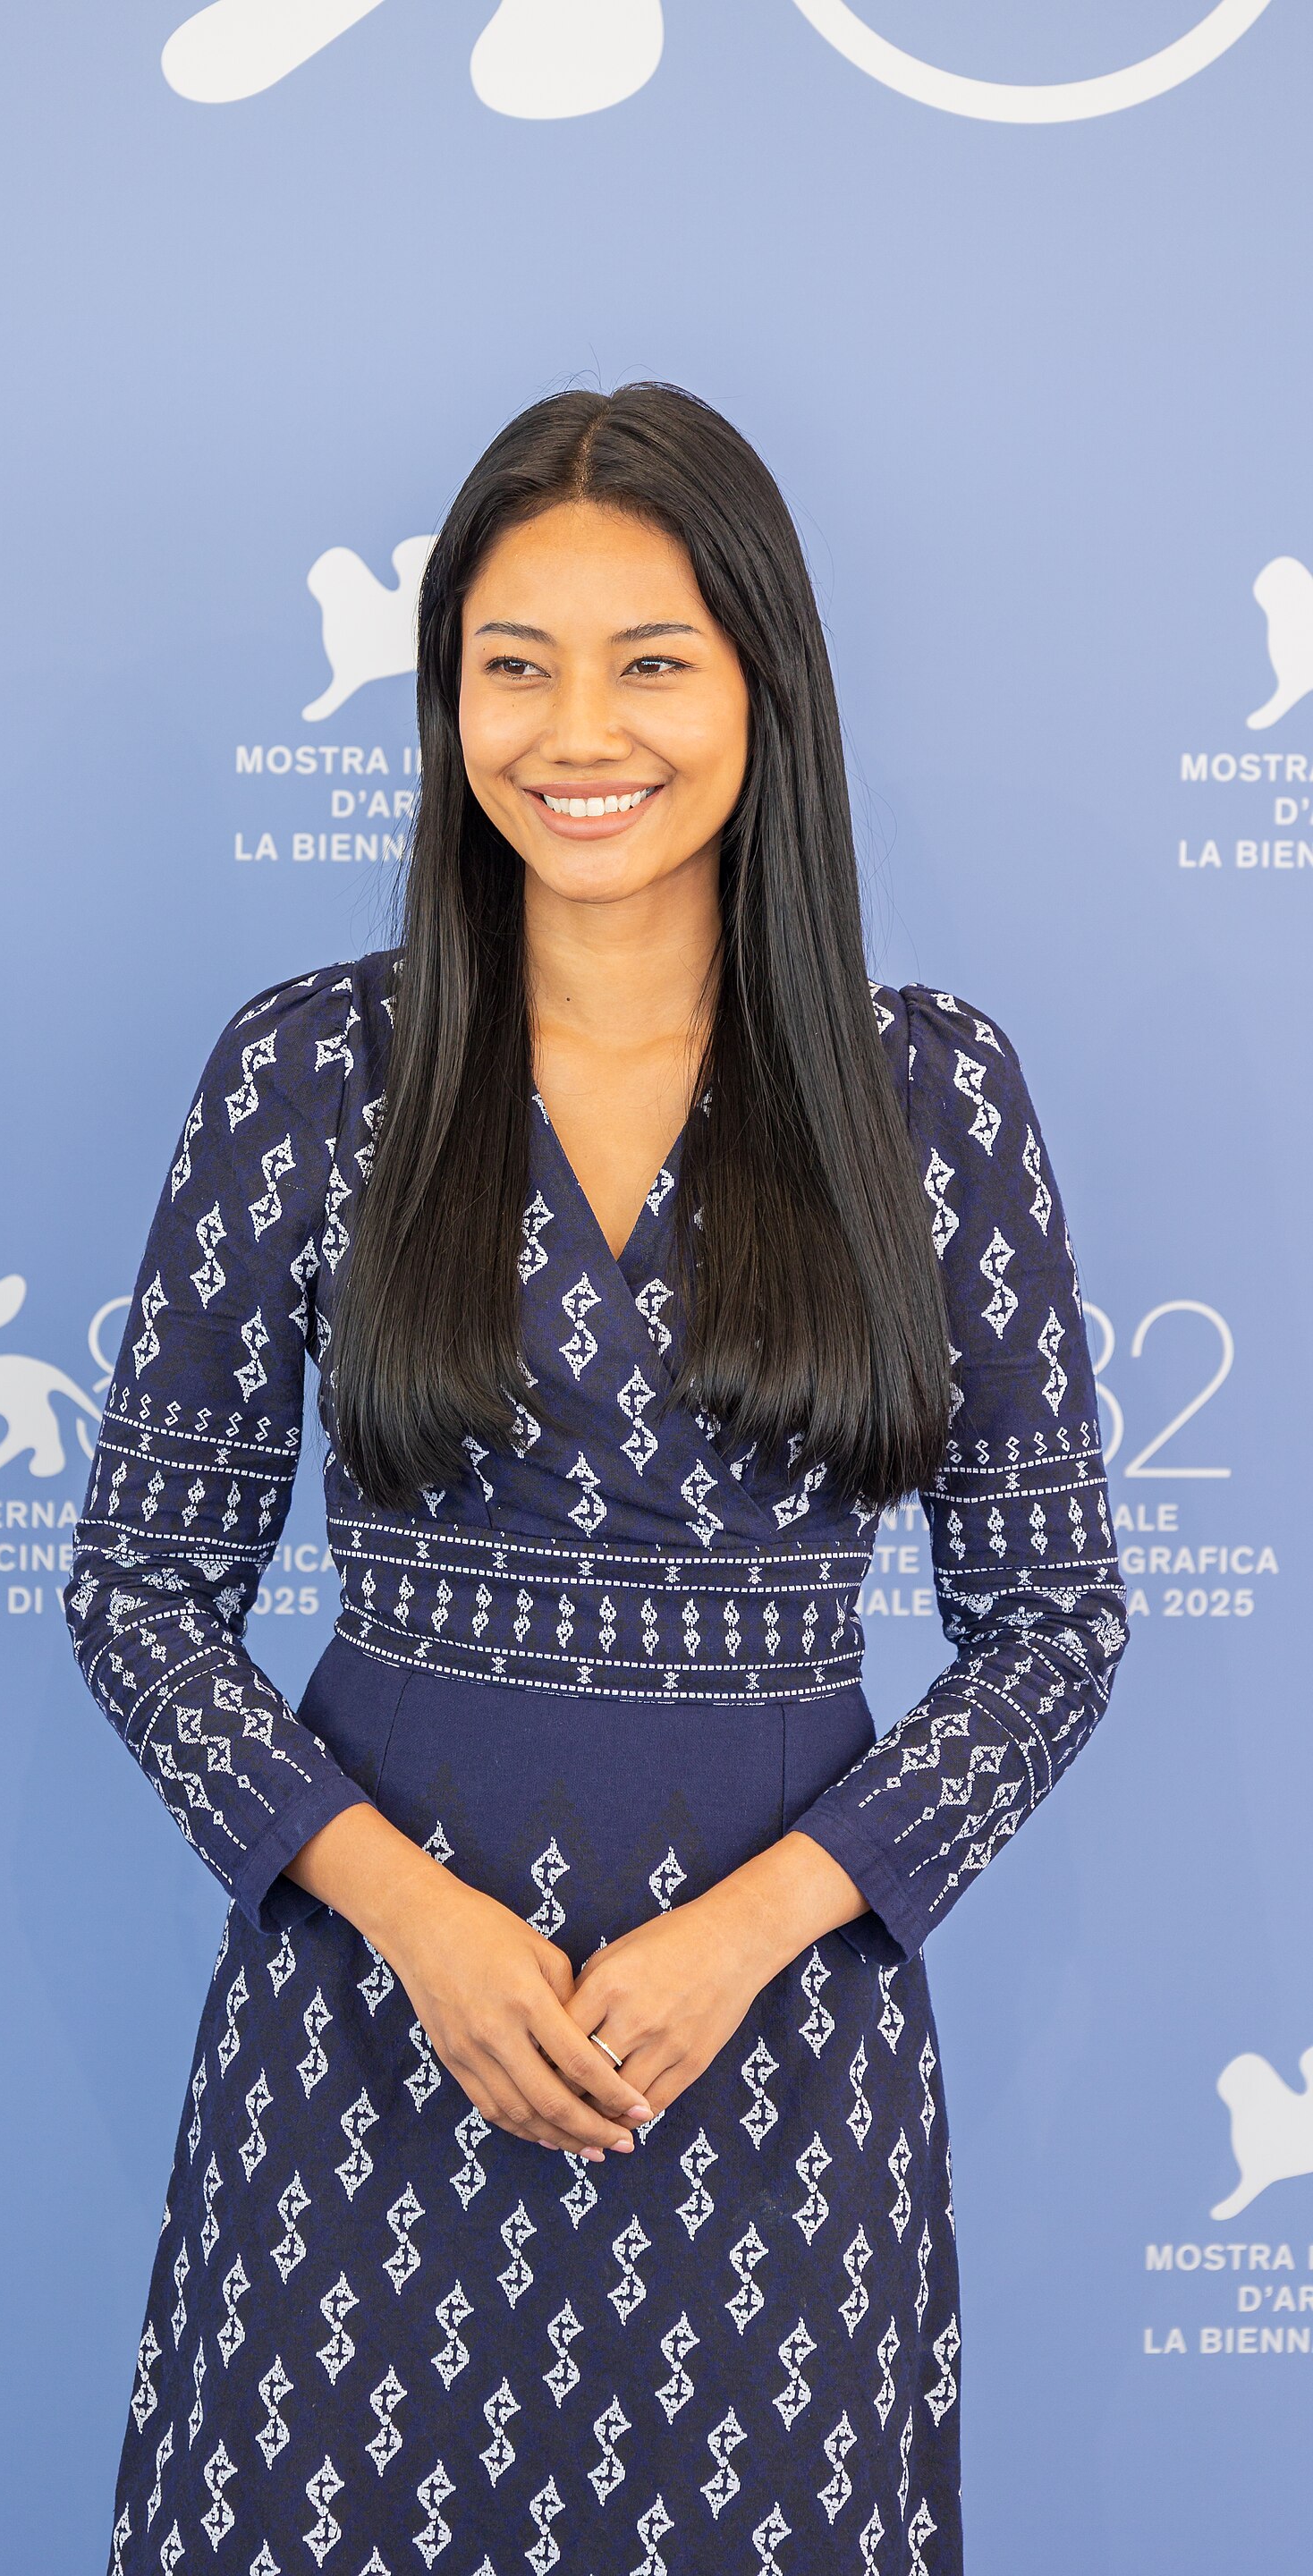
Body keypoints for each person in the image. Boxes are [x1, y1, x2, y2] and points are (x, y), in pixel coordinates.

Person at [65, 382, 1127, 2575]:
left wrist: (761, 1931)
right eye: (511, 664)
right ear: (447, 696)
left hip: (776, 2085)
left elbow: (1055, 1625)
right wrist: (407, 1919)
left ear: (764, 685)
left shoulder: (932, 1096)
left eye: (651, 660)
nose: (579, 727)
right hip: (364, 2058)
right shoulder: (305, 1075)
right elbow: (139, 1591)